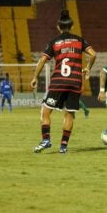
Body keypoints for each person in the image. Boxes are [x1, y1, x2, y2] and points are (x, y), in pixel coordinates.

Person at [31, 9, 97, 154]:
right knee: (69, 114)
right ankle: (63, 146)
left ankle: (46, 140)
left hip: (58, 82)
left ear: (58, 27)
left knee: (45, 111)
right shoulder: (80, 40)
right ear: (72, 26)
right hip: (75, 82)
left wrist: (35, 77)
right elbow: (93, 54)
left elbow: (43, 60)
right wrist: (87, 68)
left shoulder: (54, 42)